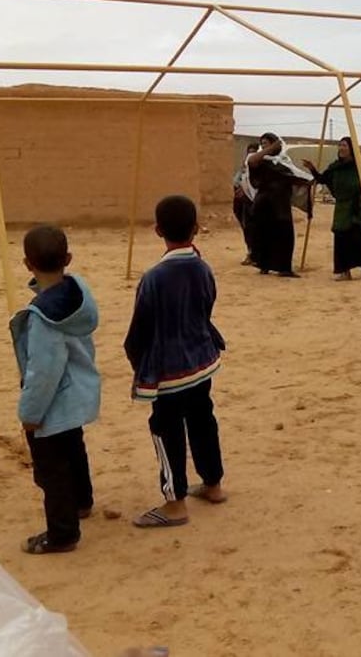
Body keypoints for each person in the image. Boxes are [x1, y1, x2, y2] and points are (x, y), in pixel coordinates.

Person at [124, 195, 227, 528]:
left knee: (165, 429)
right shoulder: (203, 268)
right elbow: (206, 307)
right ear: (196, 229)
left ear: (157, 231)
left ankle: (175, 502)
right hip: (202, 362)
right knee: (202, 419)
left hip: (169, 372)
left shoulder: (154, 278)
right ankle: (213, 484)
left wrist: (141, 366)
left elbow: (138, 331)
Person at [10, 225, 100, 555]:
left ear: (26, 263)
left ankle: (62, 533)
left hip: (53, 403)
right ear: (68, 259)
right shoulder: (77, 296)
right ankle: (82, 501)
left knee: (52, 469)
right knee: (73, 451)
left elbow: (43, 372)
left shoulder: (44, 319)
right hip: (75, 395)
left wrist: (30, 413)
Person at [302, 137, 361, 281]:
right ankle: (344, 271)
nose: (341, 148)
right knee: (341, 237)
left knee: (359, 236)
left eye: (344, 145)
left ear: (351, 148)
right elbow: (322, 179)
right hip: (342, 206)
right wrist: (312, 169)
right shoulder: (335, 167)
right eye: (340, 146)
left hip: (359, 206)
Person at [247, 132, 311, 277]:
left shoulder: (283, 161)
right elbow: (251, 162)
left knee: (284, 235)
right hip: (264, 203)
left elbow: (293, 176)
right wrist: (268, 150)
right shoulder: (260, 160)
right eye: (262, 144)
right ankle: (264, 265)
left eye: (267, 143)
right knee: (264, 234)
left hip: (280, 204)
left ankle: (284, 268)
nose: (264, 146)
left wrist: (309, 180)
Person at [232, 143, 259, 266]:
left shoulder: (259, 169)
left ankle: (256, 254)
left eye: (254, 152)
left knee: (254, 228)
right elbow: (236, 181)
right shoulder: (244, 167)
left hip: (253, 202)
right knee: (246, 228)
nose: (251, 155)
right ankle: (251, 252)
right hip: (241, 202)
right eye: (249, 152)